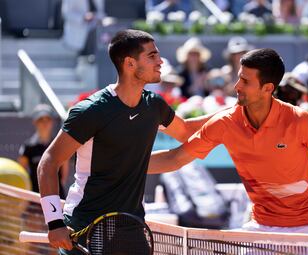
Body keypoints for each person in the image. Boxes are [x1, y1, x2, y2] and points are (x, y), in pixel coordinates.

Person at [148, 48, 308, 236]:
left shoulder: (300, 121)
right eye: (239, 77)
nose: (237, 86)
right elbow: (176, 157)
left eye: (245, 81)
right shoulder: (226, 122)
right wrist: (121, 163)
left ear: (268, 88)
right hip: (263, 228)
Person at [37, 29, 218, 254]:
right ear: (130, 64)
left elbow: (187, 132)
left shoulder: (154, 106)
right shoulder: (91, 110)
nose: (160, 61)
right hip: (85, 226)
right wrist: (54, 223)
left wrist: (235, 114)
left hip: (132, 227)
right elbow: (49, 161)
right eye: (152, 56)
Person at [18, 104, 68, 198]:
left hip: (57, 196)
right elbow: (21, 170)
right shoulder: (28, 146)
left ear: (52, 122)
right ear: (35, 122)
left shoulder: (59, 145)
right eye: (41, 120)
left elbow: (64, 172)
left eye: (47, 119)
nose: (45, 123)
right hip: (35, 196)